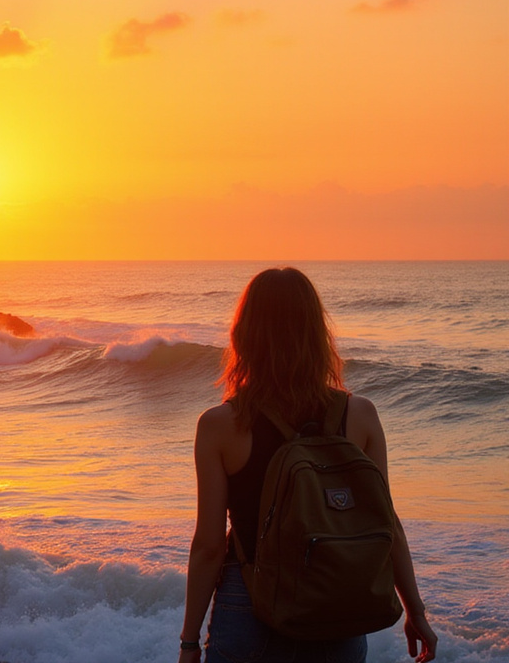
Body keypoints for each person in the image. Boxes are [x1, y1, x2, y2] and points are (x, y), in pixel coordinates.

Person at [178, 267, 438, 663]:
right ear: (317, 334)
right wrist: (415, 611)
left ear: (243, 336)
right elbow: (388, 524)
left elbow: (210, 547)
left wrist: (189, 642)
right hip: (337, 612)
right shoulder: (361, 416)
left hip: (249, 611)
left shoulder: (221, 425)